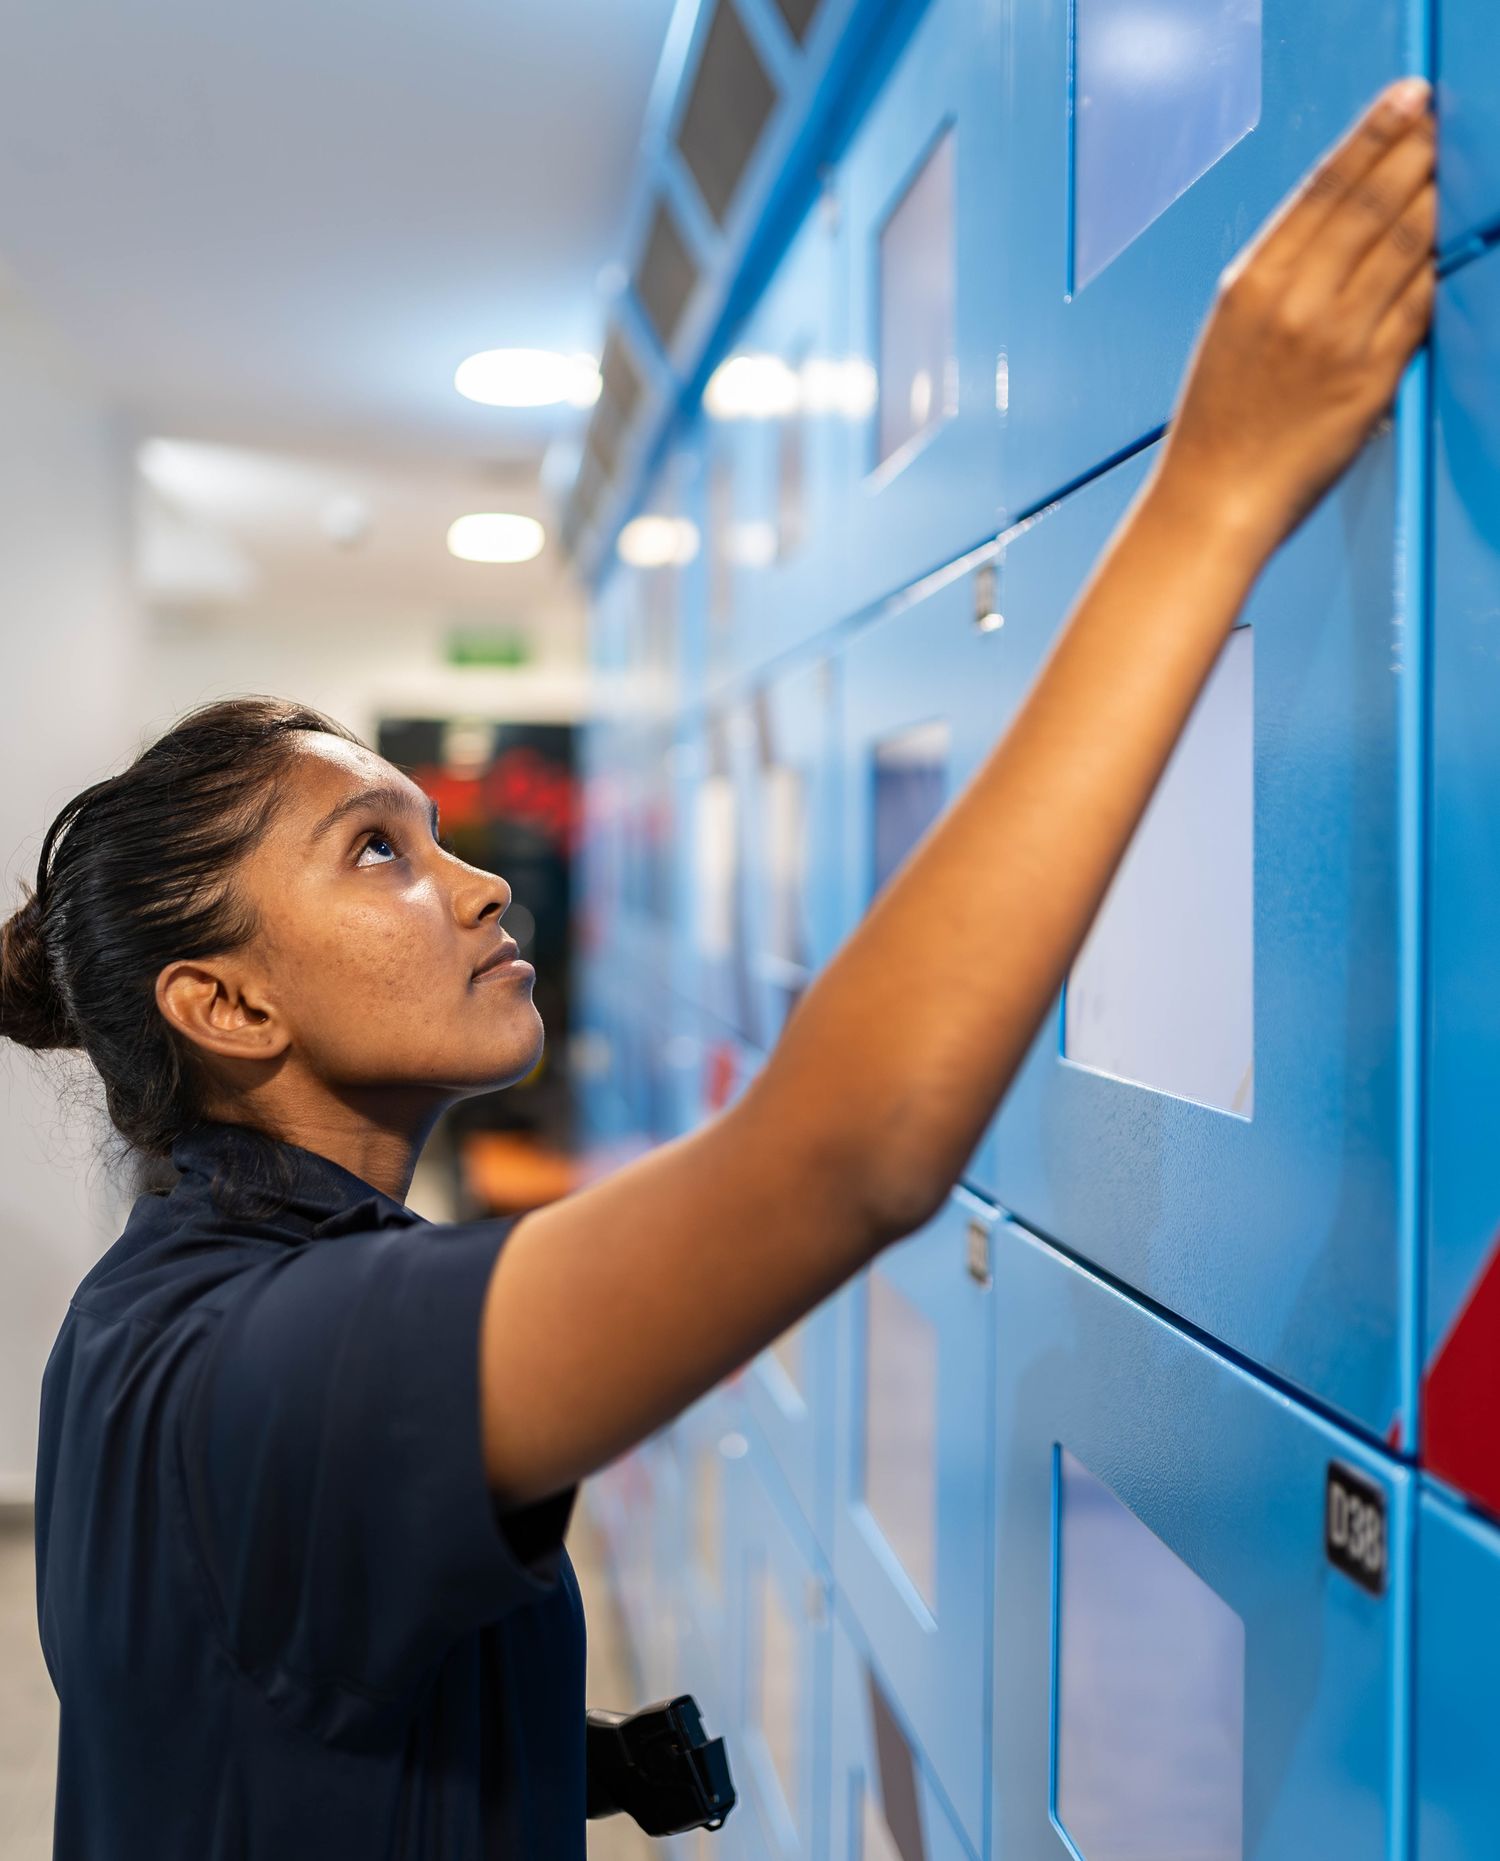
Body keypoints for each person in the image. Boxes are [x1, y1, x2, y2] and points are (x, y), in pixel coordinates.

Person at [0, 77, 1434, 1861]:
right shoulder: (271, 1358)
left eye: (435, 830)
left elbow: (253, 1698)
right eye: (375, 849)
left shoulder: (168, 1308)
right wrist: (1213, 491)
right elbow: (846, 1150)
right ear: (221, 1006)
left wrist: (560, 1758)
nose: (476, 883)